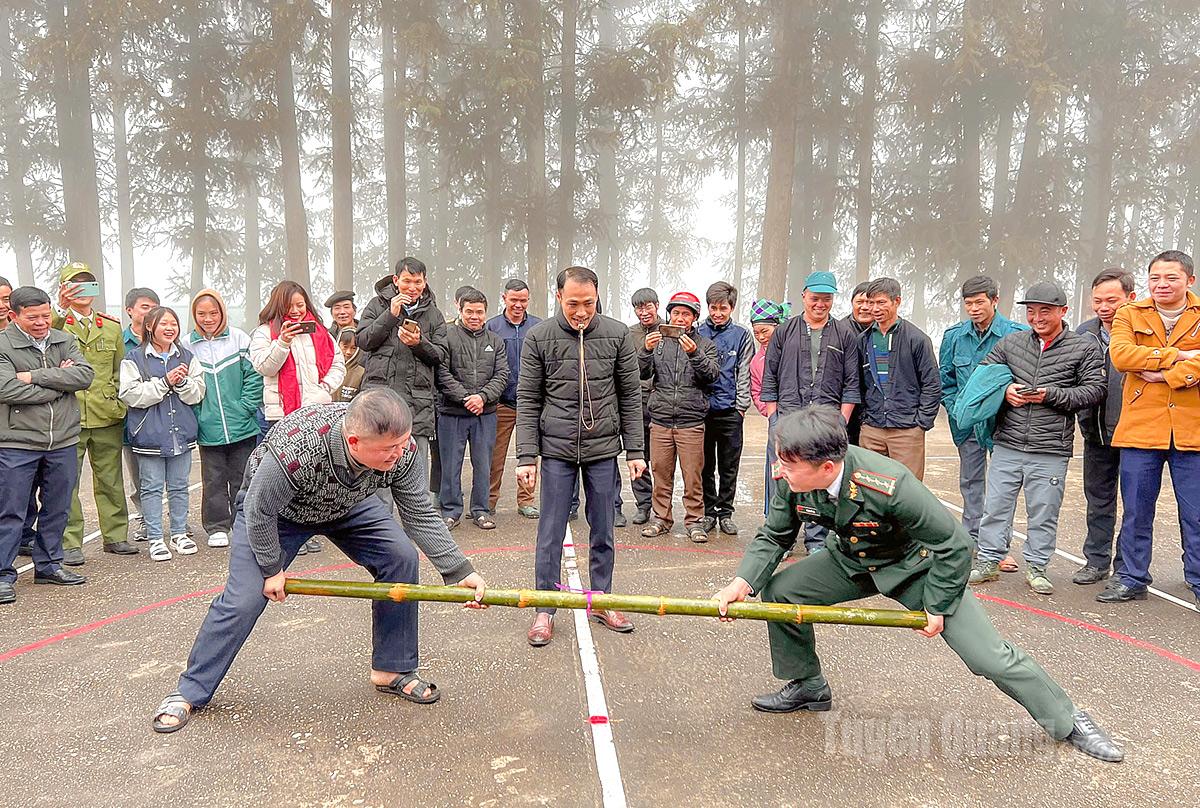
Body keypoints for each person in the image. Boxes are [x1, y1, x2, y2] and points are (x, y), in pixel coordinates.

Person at [712, 405, 1123, 764]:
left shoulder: (888, 482)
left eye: (788, 464)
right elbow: (775, 535)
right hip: (850, 561)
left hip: (917, 568)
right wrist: (741, 583)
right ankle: (808, 685)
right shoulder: (792, 479)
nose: (779, 470)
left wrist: (938, 604)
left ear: (827, 467)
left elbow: (956, 545)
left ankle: (1068, 720)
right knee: (781, 592)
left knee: (987, 657)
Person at [150, 390, 487, 734]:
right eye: (389, 449)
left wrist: (458, 570)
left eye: (402, 444)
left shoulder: (403, 450)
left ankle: (392, 669)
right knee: (243, 600)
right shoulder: (298, 447)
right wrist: (271, 568)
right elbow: (259, 510)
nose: (398, 453)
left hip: (347, 504)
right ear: (354, 441)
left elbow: (418, 512)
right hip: (277, 514)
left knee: (400, 557)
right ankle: (189, 691)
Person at [517, 267, 646, 646]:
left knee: (603, 528)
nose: (581, 312)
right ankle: (545, 607)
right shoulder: (539, 337)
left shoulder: (617, 334)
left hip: (603, 450)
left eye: (588, 303)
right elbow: (528, 399)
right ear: (558, 297)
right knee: (550, 531)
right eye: (573, 303)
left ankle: (601, 600)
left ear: (597, 297)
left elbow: (630, 395)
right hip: (556, 450)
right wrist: (527, 456)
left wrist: (635, 450)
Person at [969, 282, 1105, 594]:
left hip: (1051, 448)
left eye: (1045, 311)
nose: (1037, 317)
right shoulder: (1011, 342)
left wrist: (1050, 395)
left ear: (1063, 311)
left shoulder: (1082, 347)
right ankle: (988, 560)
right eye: (1031, 311)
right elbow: (983, 376)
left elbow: (1095, 390)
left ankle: (1037, 566)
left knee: (1043, 511)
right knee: (995, 507)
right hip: (1007, 442)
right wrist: (1005, 391)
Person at [1099, 250, 1200, 608]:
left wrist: (1165, 375)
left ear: (1189, 280)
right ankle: (1131, 578)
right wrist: (1182, 356)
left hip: (1192, 431)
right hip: (1141, 430)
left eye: (1171, 278)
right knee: (1137, 511)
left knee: (1196, 513)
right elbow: (1122, 356)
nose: (1161, 285)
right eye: (1155, 278)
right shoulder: (1129, 313)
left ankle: (1198, 579)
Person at [0, 287, 94, 604]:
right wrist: (58, 385)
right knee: (11, 511)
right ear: (13, 316)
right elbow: (7, 389)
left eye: (45, 315)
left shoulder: (63, 339)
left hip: (63, 440)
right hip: (17, 442)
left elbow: (84, 375)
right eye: (33, 317)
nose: (41, 322)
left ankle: (49, 565)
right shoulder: (3, 344)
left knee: (57, 506)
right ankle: (3, 574)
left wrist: (33, 376)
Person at [761, 271, 860, 553]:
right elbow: (770, 377)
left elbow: (851, 383)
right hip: (787, 418)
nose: (820, 304)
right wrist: (774, 418)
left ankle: (818, 540)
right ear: (804, 295)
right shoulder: (784, 332)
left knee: (821, 476)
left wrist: (841, 421)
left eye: (826, 299)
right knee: (782, 477)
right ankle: (780, 539)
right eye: (815, 298)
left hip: (825, 421)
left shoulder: (845, 334)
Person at [250, 281, 345, 554]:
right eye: (289, 306)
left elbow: (338, 364)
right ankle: (281, 531)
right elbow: (264, 367)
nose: (295, 311)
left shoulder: (320, 331)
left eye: (300, 305)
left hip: (315, 412)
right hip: (281, 415)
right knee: (282, 475)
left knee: (310, 474)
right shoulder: (264, 333)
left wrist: (323, 389)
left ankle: (305, 531)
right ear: (278, 307)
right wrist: (283, 341)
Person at [52, 262, 136, 566]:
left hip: (105, 414)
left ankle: (115, 536)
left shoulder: (110, 327)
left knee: (111, 479)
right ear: (64, 289)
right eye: (75, 284)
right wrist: (59, 310)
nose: (82, 290)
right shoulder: (56, 324)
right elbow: (44, 341)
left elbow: (119, 370)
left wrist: (118, 403)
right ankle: (69, 542)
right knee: (67, 482)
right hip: (67, 415)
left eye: (87, 283)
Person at [938, 275, 1026, 565]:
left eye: (979, 302)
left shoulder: (1016, 334)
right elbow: (946, 380)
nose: (973, 309)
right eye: (968, 304)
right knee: (971, 483)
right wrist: (958, 411)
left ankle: (998, 548)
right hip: (967, 425)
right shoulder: (954, 336)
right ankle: (971, 542)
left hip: (1005, 424)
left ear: (994, 300)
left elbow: (1025, 377)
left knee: (1003, 488)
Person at [120, 307, 206, 562]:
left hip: (181, 432)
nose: (170, 329)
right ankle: (156, 538)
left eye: (173, 324)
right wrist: (165, 382)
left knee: (180, 486)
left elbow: (197, 394)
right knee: (151, 487)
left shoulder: (187, 357)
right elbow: (130, 395)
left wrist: (183, 382)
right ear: (149, 327)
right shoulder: (134, 358)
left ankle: (179, 533)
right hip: (149, 434)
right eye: (164, 324)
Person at [357, 258, 449, 497]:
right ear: (396, 280)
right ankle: (381, 521)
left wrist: (419, 343)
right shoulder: (376, 305)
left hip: (417, 404)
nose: (412, 287)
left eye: (418, 282)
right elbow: (363, 341)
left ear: (424, 282)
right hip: (379, 401)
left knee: (416, 478)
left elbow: (440, 355)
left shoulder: (434, 314)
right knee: (377, 477)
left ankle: (418, 520)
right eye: (407, 281)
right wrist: (390, 315)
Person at [639, 291, 720, 543]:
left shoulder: (705, 345)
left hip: (691, 421)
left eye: (686, 314)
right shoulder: (658, 342)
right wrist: (645, 350)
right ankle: (661, 519)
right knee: (660, 474)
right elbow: (641, 373)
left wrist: (695, 354)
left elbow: (712, 375)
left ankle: (694, 521)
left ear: (695, 317)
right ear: (669, 315)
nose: (680, 318)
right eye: (676, 313)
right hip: (660, 420)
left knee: (692, 476)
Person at [1073, 268, 1137, 586]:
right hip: (1095, 432)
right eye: (1098, 300)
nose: (1104, 307)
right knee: (1098, 501)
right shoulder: (1083, 333)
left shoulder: (1142, 331)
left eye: (1112, 300)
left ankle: (1127, 567)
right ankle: (1096, 562)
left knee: (1135, 505)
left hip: (1135, 435)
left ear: (1131, 298)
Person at [188, 289, 264, 550]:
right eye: (201, 314)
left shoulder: (239, 339)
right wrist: (200, 416)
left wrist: (245, 407)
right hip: (208, 429)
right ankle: (217, 526)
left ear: (222, 312)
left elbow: (254, 376)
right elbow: (188, 387)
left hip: (242, 426)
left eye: (213, 312)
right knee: (213, 480)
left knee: (244, 477)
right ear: (194, 315)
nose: (208, 318)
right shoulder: (187, 345)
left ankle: (244, 523)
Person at [437, 289, 509, 530]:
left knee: (483, 464)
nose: (474, 316)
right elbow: (442, 373)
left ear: (486, 313)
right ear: (459, 310)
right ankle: (450, 511)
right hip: (452, 413)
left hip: (485, 414)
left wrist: (482, 397)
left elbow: (502, 374)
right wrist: (465, 398)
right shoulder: (446, 336)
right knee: (450, 466)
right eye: (469, 311)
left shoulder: (495, 341)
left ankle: (481, 510)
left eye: (479, 312)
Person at [856, 277, 941, 479]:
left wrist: (921, 423)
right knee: (870, 486)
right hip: (872, 428)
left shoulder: (917, 339)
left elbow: (932, 384)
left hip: (907, 430)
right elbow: (858, 383)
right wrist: (864, 419)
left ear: (897, 301)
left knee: (908, 487)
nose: (875, 308)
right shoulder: (863, 340)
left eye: (881, 302)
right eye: (871, 302)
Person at [697, 282, 754, 536]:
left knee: (729, 466)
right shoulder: (698, 332)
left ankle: (726, 513)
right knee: (705, 465)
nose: (717, 313)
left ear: (732, 307)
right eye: (713, 308)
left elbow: (744, 372)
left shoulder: (742, 335)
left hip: (730, 411)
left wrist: (741, 407)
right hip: (702, 411)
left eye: (723, 308)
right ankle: (709, 512)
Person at [486, 278, 541, 519]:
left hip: (531, 405)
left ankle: (526, 500)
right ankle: (488, 500)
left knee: (529, 455)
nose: (518, 305)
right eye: (514, 300)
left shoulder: (538, 327)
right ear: (504, 298)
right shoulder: (492, 327)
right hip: (502, 403)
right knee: (494, 456)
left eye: (523, 300)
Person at [122, 287, 161, 540]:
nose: (150, 312)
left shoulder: (165, 339)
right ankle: (146, 519)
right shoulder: (118, 340)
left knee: (171, 476)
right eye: (145, 307)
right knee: (138, 476)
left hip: (164, 417)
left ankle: (178, 522)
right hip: (132, 419)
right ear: (130, 311)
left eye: (154, 307)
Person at [748, 299, 789, 516]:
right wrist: (770, 412)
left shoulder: (793, 349)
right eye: (757, 333)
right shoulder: (757, 360)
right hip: (776, 420)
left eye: (765, 331)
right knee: (776, 469)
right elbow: (756, 391)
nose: (761, 337)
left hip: (800, 416)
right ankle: (775, 516)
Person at [625, 287, 660, 525]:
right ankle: (643, 504)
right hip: (637, 402)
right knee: (639, 454)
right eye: (639, 307)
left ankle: (662, 505)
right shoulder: (629, 334)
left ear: (657, 306)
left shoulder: (669, 330)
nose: (644, 312)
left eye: (648, 306)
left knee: (662, 459)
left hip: (663, 402)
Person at [332, 328, 365, 402]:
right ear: (338, 345)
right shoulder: (329, 369)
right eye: (345, 347)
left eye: (353, 348)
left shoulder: (361, 373)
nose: (348, 352)